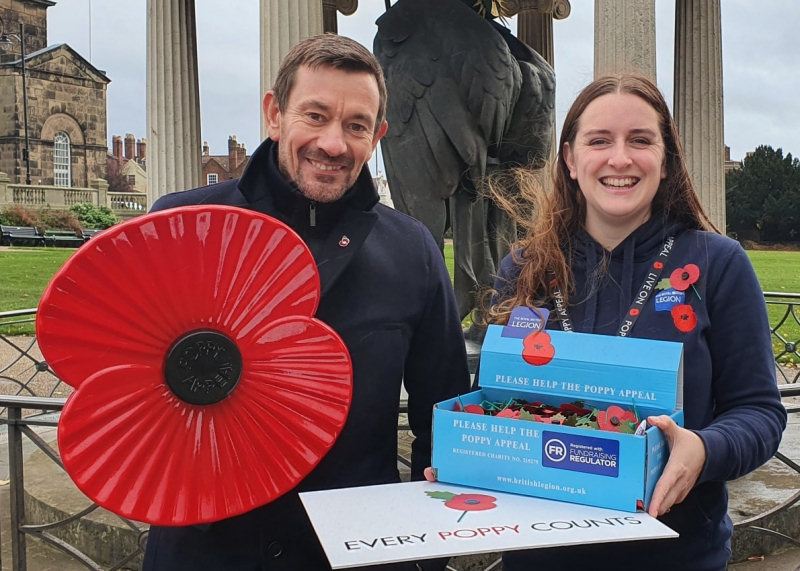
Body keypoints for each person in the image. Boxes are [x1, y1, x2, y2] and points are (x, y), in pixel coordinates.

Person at [142, 34, 470, 571]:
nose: (334, 144)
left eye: (357, 125)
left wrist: (427, 554)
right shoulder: (182, 226)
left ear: (378, 136)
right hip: (207, 550)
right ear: (274, 114)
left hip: (357, 554)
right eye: (315, 116)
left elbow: (446, 418)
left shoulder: (412, 252)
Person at [480, 74, 787, 570]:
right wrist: (470, 454)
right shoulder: (524, 268)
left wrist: (704, 450)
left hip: (676, 554)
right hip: (541, 555)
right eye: (599, 140)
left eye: (640, 140)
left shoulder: (719, 265)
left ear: (665, 161)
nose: (619, 159)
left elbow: (760, 413)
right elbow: (499, 401)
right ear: (570, 160)